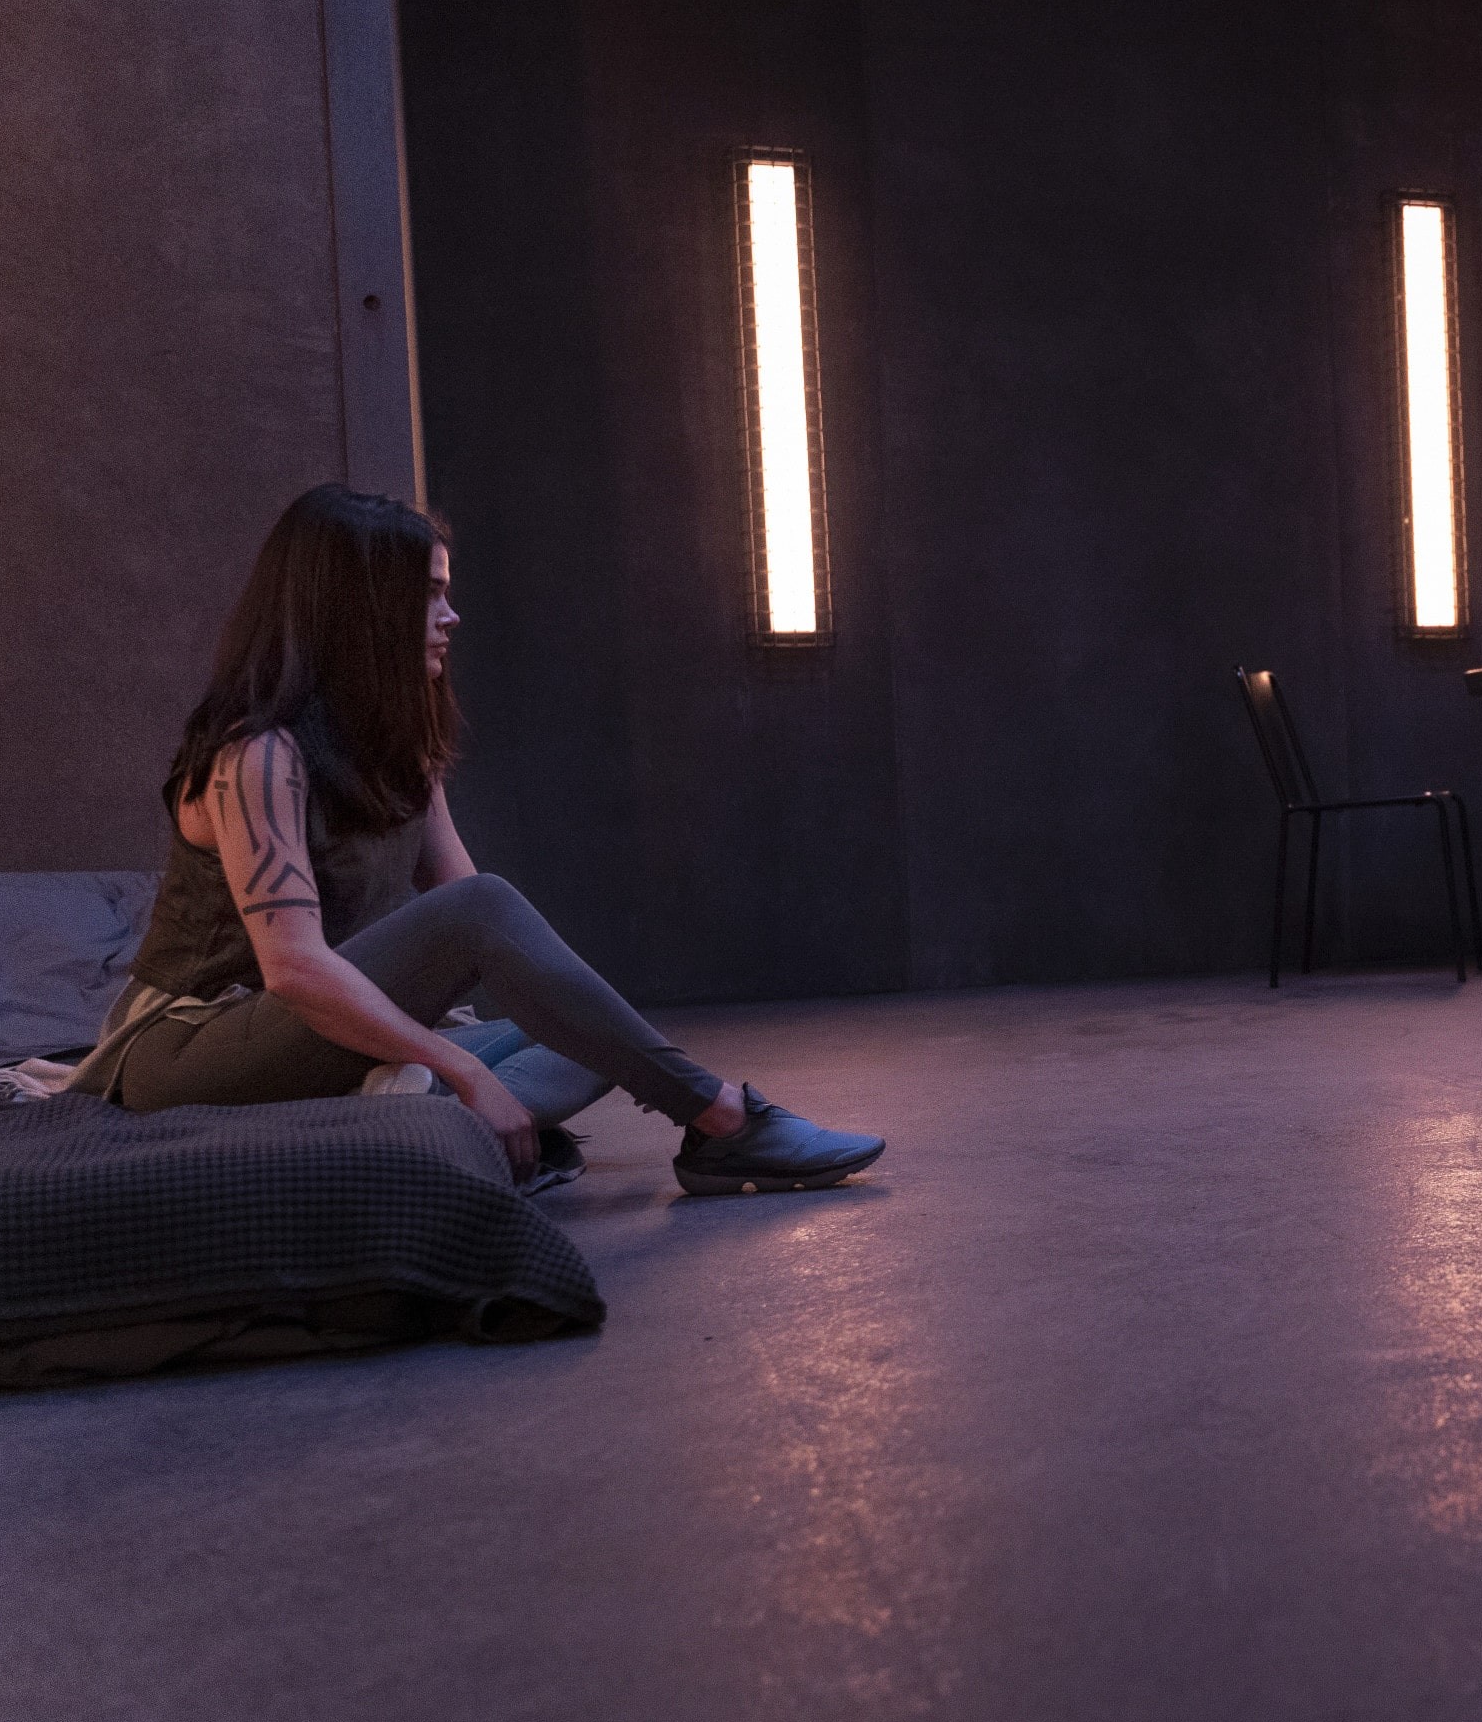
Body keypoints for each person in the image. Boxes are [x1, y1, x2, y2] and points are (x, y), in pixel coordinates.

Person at [66, 484, 886, 1195]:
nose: (450, 617)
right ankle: (723, 1120)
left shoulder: (399, 749)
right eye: (428, 596)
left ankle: (410, 1117)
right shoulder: (257, 756)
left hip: (326, 1035)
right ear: (361, 610)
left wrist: (508, 1032)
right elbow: (299, 970)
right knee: (516, 965)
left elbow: (470, 924)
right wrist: (461, 1066)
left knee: (595, 1036)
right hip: (195, 1047)